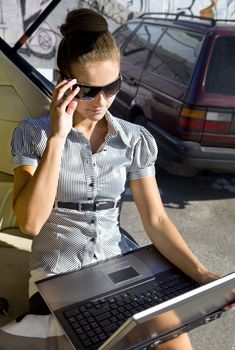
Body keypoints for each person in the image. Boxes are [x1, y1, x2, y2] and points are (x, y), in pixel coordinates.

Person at [11, 8, 220, 350]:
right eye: (89, 90)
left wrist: (201, 274)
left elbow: (155, 219)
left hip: (119, 267)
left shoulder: (135, 139)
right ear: (62, 80)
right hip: (59, 275)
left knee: (177, 341)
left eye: (112, 87)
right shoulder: (34, 134)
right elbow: (31, 224)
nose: (102, 101)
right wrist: (58, 139)